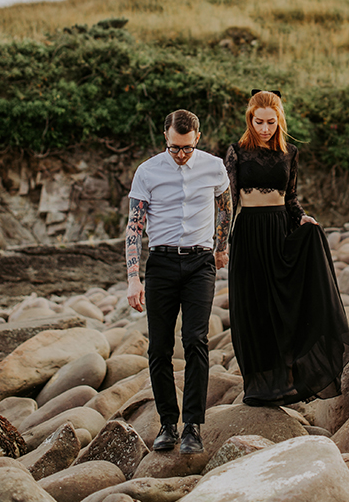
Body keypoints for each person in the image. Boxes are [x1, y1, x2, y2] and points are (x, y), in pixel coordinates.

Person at [224, 89, 349, 407]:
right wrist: (220, 242)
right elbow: (225, 203)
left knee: (283, 306)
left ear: (279, 120)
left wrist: (302, 218)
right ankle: (258, 384)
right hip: (249, 233)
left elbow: (291, 198)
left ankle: (288, 380)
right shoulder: (236, 153)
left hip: (280, 229)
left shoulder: (289, 153)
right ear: (250, 119)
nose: (265, 128)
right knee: (252, 307)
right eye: (259, 122)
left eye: (271, 122)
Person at [126, 109, 231, 454]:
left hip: (200, 263)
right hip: (161, 263)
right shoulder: (148, 171)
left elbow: (225, 208)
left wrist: (221, 248)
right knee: (159, 347)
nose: (181, 155)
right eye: (174, 148)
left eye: (186, 148)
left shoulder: (213, 166)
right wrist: (132, 278)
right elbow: (134, 227)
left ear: (197, 138)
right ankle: (168, 424)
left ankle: (193, 427)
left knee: (196, 340)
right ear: (165, 140)